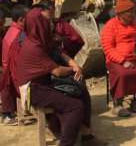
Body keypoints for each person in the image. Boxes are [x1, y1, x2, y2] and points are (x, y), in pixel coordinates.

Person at [16, 8, 102, 146]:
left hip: (43, 81)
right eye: (45, 21)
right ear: (38, 24)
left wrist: (74, 66)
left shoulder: (39, 38)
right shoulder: (34, 45)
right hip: (34, 88)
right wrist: (73, 69)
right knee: (75, 106)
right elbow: (57, 71)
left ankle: (86, 136)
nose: (49, 23)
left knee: (80, 90)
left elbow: (59, 52)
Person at [101, 0, 136, 117]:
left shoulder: (135, 24)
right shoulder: (110, 26)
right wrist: (122, 61)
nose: (133, 14)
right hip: (115, 61)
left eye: (133, 11)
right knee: (122, 74)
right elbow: (107, 48)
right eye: (130, 12)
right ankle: (118, 104)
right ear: (121, 14)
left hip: (133, 58)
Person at [1, 5, 29, 125]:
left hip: (7, 69)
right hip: (11, 71)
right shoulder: (19, 35)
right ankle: (8, 115)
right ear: (21, 20)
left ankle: (8, 114)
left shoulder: (11, 30)